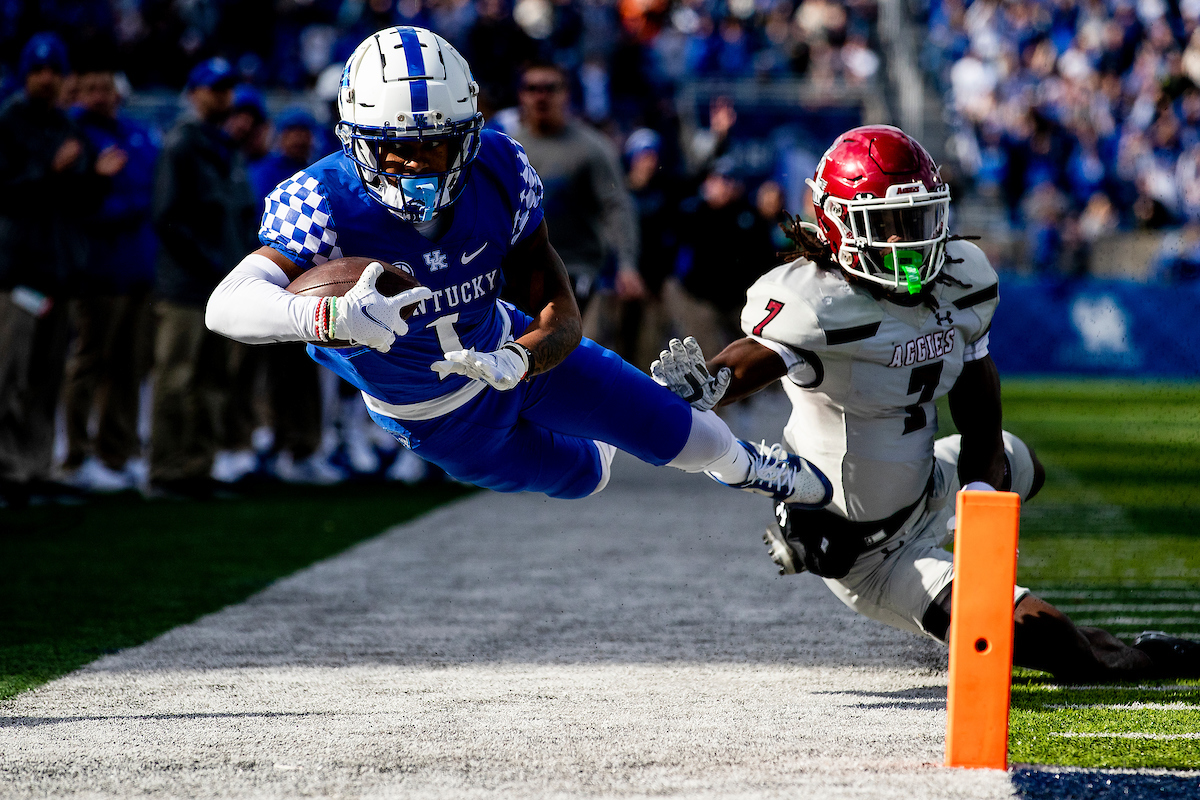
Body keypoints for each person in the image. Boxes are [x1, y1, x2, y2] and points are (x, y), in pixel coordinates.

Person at [651, 125, 1199, 681]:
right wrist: (713, 381)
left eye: (920, 220)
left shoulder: (961, 280)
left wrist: (980, 500)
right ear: (838, 224)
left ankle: (989, 564)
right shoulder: (814, 304)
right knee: (1061, 648)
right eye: (888, 224)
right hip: (871, 548)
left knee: (1018, 461)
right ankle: (1141, 654)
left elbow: (979, 397)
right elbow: (755, 355)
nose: (910, 242)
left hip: (930, 483)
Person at [205, 26, 830, 508]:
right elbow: (226, 304)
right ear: (356, 140)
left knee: (684, 432)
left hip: (507, 345)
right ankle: (609, 435)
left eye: (438, 143)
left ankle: (752, 466)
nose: (421, 165)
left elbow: (552, 292)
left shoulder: (501, 168)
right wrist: (325, 314)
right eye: (400, 147)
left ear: (470, 131)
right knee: (588, 476)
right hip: (434, 417)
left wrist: (524, 356)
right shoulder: (320, 199)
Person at [0, 33, 109, 506]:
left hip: (59, 274)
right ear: (26, 75)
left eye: (53, 70)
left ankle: (35, 468)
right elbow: (9, 192)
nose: (46, 78)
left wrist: (96, 179)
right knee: (8, 376)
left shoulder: (67, 125)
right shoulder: (9, 121)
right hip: (17, 272)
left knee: (46, 379)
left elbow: (81, 201)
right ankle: (6, 471)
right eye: (38, 70)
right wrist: (54, 170)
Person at [148, 57, 260, 499]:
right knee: (176, 377)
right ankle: (166, 471)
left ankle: (198, 466)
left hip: (221, 287)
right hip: (188, 287)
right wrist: (216, 266)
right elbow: (168, 219)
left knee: (212, 380)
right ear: (193, 93)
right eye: (213, 88)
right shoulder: (182, 145)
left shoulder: (223, 146)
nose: (222, 97)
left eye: (227, 88)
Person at [60, 63, 159, 493]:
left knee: (127, 367)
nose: (101, 94)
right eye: (91, 87)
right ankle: (74, 455)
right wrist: (122, 201)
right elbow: (78, 207)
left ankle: (115, 455)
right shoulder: (74, 135)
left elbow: (149, 190)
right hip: (95, 270)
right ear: (78, 92)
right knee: (88, 364)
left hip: (135, 267)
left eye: (106, 86)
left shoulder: (133, 132)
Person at [504, 62, 644, 324]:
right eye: (532, 88)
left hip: (579, 273)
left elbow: (617, 205)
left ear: (565, 93)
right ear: (521, 95)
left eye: (550, 88)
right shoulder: (509, 149)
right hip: (521, 274)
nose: (541, 96)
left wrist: (627, 264)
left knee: (576, 355)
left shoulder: (591, 148)